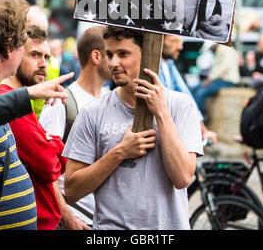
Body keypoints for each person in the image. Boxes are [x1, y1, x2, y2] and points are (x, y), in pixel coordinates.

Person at [63, 26, 203, 230]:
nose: (113, 63)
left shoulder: (180, 105)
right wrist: (120, 152)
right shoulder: (92, 111)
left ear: (148, 56)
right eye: (109, 54)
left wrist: (161, 112)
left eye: (123, 54)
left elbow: (182, 178)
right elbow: (72, 189)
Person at [0, 0, 71, 231]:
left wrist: (27, 95)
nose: (43, 63)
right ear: (10, 48)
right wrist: (27, 95)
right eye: (26, 46)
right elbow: (48, 162)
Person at [0, 25, 85, 230]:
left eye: (47, 57)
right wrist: (56, 145)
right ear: (15, 55)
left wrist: (50, 143)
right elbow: (48, 164)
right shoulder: (6, 99)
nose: (43, 64)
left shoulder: (20, 100)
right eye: (35, 55)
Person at [40, 26, 112, 227]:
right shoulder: (61, 102)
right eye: (112, 54)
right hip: (76, 217)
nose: (117, 62)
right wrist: (67, 217)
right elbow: (45, 169)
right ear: (96, 56)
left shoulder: (112, 100)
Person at [159, 34, 217, 144]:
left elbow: (186, 96)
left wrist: (203, 130)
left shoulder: (169, 63)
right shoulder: (153, 64)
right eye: (174, 41)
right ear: (159, 40)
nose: (180, 47)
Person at [192, 43, 240, 116]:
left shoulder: (225, 50)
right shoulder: (223, 50)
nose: (211, 50)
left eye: (211, 47)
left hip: (227, 81)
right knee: (195, 89)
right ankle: (197, 113)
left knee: (201, 92)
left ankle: (199, 116)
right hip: (221, 80)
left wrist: (209, 79)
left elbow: (222, 68)